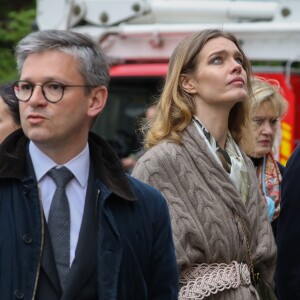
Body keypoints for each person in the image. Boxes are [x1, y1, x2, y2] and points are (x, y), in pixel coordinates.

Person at [0, 29, 179, 300]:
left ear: (95, 100)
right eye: (26, 87)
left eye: (53, 87)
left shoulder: (145, 206)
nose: (34, 100)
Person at [132, 29, 276, 299]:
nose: (236, 67)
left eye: (239, 60)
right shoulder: (158, 164)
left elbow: (264, 263)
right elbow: (141, 272)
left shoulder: (242, 161)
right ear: (188, 83)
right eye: (218, 60)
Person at [240, 76, 288, 239]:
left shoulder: (284, 176)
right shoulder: (216, 169)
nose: (268, 130)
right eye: (258, 121)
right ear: (236, 122)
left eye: (273, 121)